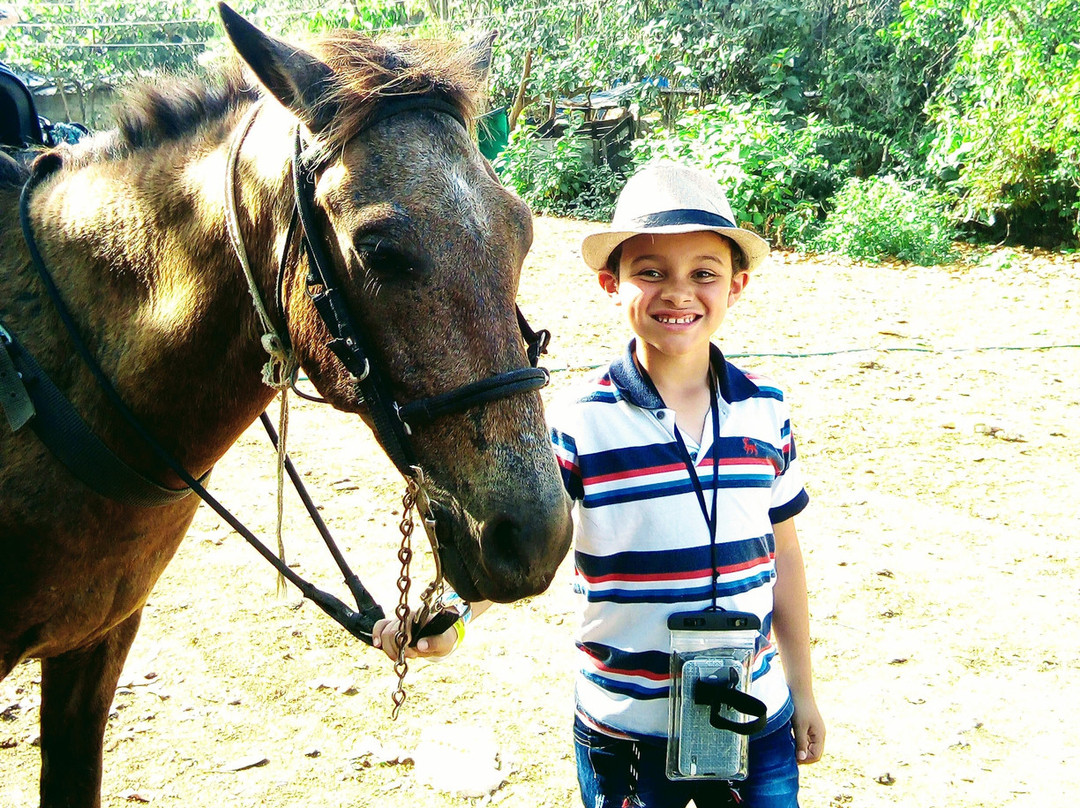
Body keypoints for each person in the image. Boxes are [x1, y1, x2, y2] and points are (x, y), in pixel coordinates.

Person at [373, 162, 825, 807]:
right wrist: (455, 617)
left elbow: (785, 556)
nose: (679, 292)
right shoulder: (579, 423)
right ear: (611, 284)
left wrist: (802, 690)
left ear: (738, 285)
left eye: (704, 273)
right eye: (651, 273)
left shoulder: (765, 408)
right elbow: (533, 539)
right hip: (627, 734)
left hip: (754, 712)